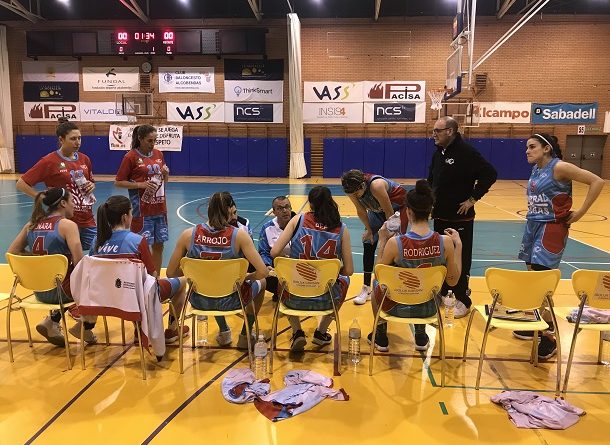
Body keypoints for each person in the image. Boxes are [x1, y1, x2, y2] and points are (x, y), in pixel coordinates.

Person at [515, 133, 604, 359]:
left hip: (551, 229)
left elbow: (597, 181)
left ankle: (549, 337)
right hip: (532, 226)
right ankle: (537, 324)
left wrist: (580, 213)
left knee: (542, 283)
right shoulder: (536, 169)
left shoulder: (560, 167)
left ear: (546, 148)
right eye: (527, 147)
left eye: (532, 147)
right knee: (533, 280)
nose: (527, 151)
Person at [368, 180, 462, 352]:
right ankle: (420, 334)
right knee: (423, 286)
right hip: (429, 308)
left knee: (376, 284)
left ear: (408, 212)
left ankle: (380, 336)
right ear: (430, 211)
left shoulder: (395, 243)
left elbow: (378, 274)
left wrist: (382, 240)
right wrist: (459, 246)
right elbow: (453, 281)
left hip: (398, 308)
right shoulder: (446, 242)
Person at [166, 191, 268, 349]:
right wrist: (246, 277)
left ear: (209, 209)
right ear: (229, 211)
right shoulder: (240, 236)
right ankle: (245, 334)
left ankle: (224, 331)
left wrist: (194, 274)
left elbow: (171, 272)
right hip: (233, 301)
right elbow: (263, 272)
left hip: (200, 301)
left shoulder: (188, 235)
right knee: (262, 281)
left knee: (210, 283)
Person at [89, 195, 189, 344]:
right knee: (181, 282)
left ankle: (139, 328)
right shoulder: (136, 240)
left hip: (106, 298)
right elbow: (152, 275)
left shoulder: (96, 242)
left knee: (129, 287)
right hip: (134, 298)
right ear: (124, 217)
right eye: (131, 212)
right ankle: (172, 329)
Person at [428, 116, 497, 318]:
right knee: (440, 256)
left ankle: (462, 299)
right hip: (440, 216)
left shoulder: (466, 152)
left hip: (460, 219)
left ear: (450, 131)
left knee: (461, 259)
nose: (433, 134)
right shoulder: (438, 153)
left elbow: (490, 173)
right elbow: (432, 180)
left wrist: (472, 199)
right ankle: (443, 292)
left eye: (437, 130)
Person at [271, 186, 354, 352]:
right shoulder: (341, 228)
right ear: (330, 202)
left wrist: (292, 263)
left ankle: (297, 331)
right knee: (345, 279)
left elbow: (274, 252)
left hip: (294, 296)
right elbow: (349, 270)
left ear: (311, 203)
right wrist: (331, 271)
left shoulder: (298, 220)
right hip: (325, 298)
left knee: (283, 278)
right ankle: (321, 332)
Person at [7, 187, 90, 346]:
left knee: (65, 279)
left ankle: (52, 321)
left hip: (39, 290)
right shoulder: (67, 225)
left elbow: (12, 252)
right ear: (63, 203)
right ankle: (85, 325)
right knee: (93, 277)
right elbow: (79, 264)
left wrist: (37, 259)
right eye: (72, 201)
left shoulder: (31, 225)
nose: (74, 205)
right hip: (62, 292)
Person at [16, 118, 97, 251]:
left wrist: (91, 185)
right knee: (67, 257)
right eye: (73, 139)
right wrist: (41, 197)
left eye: (79, 138)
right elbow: (21, 183)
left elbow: (90, 182)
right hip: (63, 221)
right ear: (61, 139)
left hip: (87, 220)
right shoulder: (49, 161)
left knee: (93, 254)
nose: (77, 142)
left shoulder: (85, 159)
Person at [341, 169, 406, 305]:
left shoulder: (376, 185)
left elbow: (389, 212)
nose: (355, 196)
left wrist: (389, 234)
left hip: (397, 210)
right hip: (377, 211)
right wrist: (369, 230)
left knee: (395, 246)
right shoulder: (351, 188)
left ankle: (395, 287)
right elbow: (360, 210)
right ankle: (366, 288)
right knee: (368, 240)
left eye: (356, 193)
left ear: (362, 185)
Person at [115, 125, 170, 275]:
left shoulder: (158, 154)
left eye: (155, 140)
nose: (153, 144)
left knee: (159, 246)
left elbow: (164, 181)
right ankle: (140, 279)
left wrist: (165, 174)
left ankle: (155, 279)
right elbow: (118, 182)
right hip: (142, 211)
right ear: (140, 138)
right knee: (141, 248)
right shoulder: (130, 157)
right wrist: (140, 185)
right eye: (149, 140)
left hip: (160, 209)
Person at [258, 196, 296, 302]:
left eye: (287, 207)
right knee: (257, 268)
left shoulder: (300, 225)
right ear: (274, 212)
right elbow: (263, 251)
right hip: (277, 269)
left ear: (291, 208)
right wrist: (267, 265)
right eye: (280, 208)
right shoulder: (267, 228)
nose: (285, 211)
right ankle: (279, 292)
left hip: (297, 267)